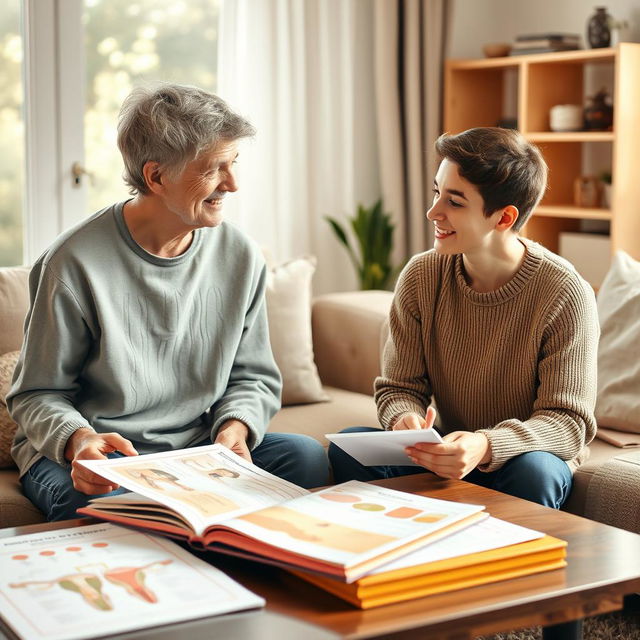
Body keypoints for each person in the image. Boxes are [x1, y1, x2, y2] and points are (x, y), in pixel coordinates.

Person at [8, 84, 329, 521]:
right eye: (215, 169)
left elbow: (253, 375)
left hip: (197, 448)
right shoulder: (72, 264)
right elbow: (36, 393)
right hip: (101, 451)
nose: (232, 184)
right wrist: (78, 440)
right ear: (156, 176)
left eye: (233, 164)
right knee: (97, 503)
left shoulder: (240, 256)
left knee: (305, 457)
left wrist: (234, 428)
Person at [328, 127, 599, 508]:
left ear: (504, 218)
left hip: (519, 458)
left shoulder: (564, 291)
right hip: (445, 451)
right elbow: (398, 387)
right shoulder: (422, 275)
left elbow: (568, 423)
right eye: (437, 192)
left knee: (536, 472)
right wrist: (404, 419)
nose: (432, 212)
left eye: (454, 202)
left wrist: (486, 444)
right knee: (350, 448)